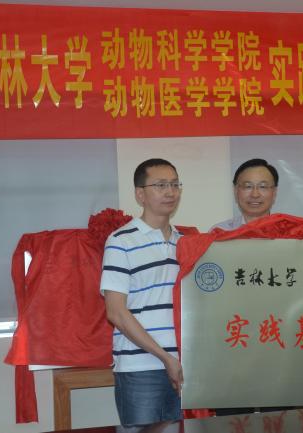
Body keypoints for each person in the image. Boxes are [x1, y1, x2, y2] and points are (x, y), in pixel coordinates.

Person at [100, 158, 184, 426]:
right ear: (140, 194)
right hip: (141, 368)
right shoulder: (121, 241)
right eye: (160, 185)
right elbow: (116, 312)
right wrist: (165, 357)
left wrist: (177, 360)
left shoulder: (185, 243)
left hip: (183, 366)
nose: (170, 192)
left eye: (174, 185)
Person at [211, 158, 278, 231]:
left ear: (274, 193)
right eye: (248, 186)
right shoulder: (220, 231)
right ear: (235, 192)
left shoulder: (286, 231)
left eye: (262, 186)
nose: (255, 195)